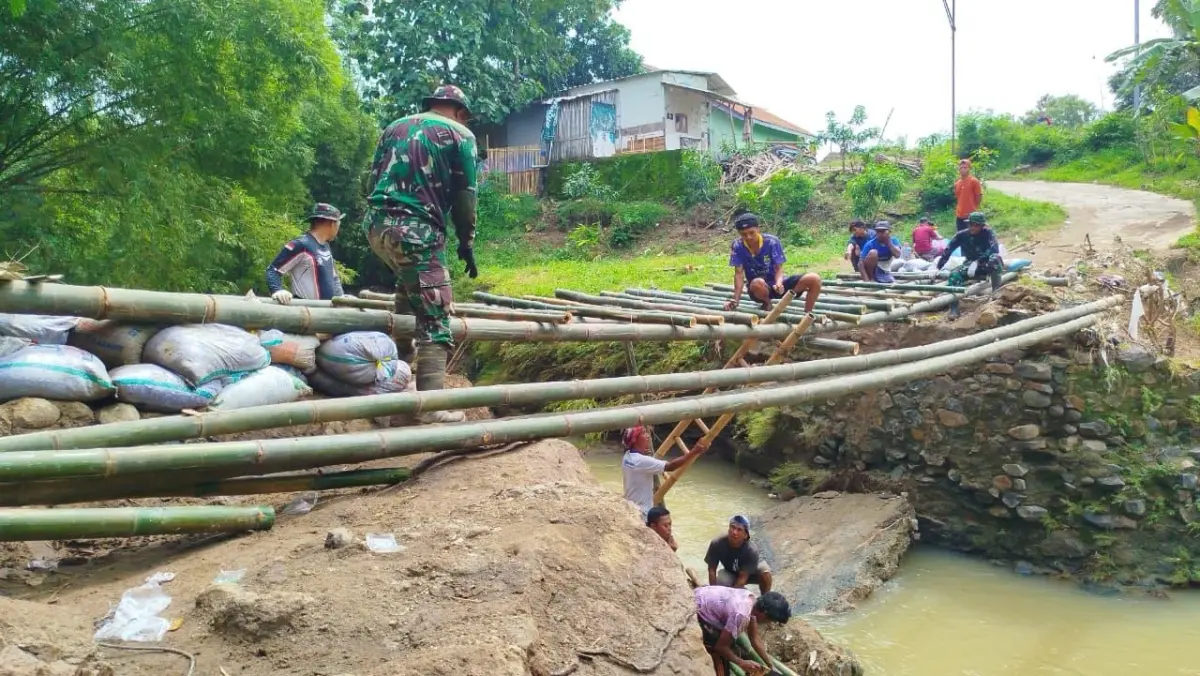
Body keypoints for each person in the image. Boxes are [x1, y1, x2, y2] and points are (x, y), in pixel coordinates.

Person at [361, 84, 479, 422]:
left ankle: (397, 381)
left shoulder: (393, 127)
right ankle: (429, 407)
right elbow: (466, 197)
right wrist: (466, 242)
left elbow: (368, 183)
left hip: (375, 227)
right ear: (460, 112)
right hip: (416, 231)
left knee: (408, 290)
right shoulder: (461, 135)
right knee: (435, 314)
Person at [722, 212, 823, 313]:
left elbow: (778, 268)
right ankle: (767, 303)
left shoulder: (772, 241)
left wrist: (779, 283)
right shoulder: (737, 246)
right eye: (744, 234)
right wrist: (736, 300)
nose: (748, 237)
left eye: (751, 232)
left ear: (758, 229)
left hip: (779, 284)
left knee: (814, 278)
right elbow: (739, 274)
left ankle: (808, 312)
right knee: (757, 283)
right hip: (758, 289)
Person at [695, 585, 791, 676]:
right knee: (722, 662)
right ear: (765, 614)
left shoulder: (753, 600)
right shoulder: (741, 615)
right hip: (696, 611)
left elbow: (754, 637)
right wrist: (741, 663)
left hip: (699, 596)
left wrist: (770, 664)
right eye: (770, 620)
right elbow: (720, 647)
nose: (768, 623)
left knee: (732, 646)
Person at [266, 203, 346, 304]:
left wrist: (342, 298)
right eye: (338, 223)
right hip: (305, 309)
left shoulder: (326, 246)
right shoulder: (301, 244)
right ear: (332, 224)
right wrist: (278, 290)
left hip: (327, 310)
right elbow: (272, 270)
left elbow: (334, 278)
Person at [621, 425, 703, 519]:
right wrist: (694, 451)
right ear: (635, 440)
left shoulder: (627, 456)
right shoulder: (642, 461)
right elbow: (671, 466)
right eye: (643, 433)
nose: (648, 435)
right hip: (642, 512)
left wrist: (642, 451)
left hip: (631, 508)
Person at [937, 211, 1004, 318]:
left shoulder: (988, 233)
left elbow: (994, 249)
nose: (973, 227)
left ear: (982, 226)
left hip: (986, 263)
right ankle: (954, 308)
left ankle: (996, 292)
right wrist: (940, 266)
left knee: (995, 259)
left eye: (977, 225)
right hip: (970, 264)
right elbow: (948, 249)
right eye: (971, 224)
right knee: (954, 275)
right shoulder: (961, 235)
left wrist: (979, 261)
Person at [705, 515, 773, 593]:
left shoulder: (751, 551)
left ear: (745, 535)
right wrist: (713, 591)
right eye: (732, 527)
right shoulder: (717, 543)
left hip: (749, 573)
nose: (734, 532)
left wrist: (733, 595)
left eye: (739, 530)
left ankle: (765, 597)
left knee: (765, 573)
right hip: (731, 572)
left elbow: (742, 579)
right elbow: (712, 570)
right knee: (722, 580)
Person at [953, 159, 983, 232]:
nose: (963, 169)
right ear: (958, 169)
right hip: (959, 215)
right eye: (961, 168)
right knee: (960, 235)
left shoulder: (974, 181)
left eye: (965, 167)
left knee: (971, 235)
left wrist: (974, 209)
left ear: (969, 169)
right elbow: (958, 198)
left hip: (971, 216)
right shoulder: (957, 183)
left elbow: (978, 197)